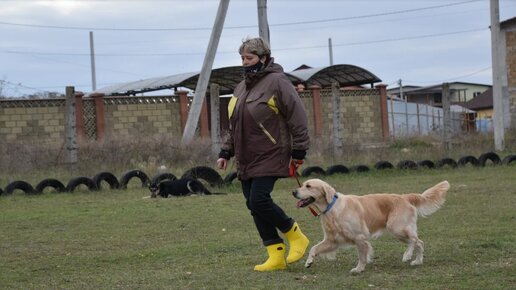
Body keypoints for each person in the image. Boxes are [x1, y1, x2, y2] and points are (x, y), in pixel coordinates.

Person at [216, 37, 310, 272]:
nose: (245, 63)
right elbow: (234, 124)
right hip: (246, 156)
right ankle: (275, 254)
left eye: (249, 58)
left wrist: (299, 150)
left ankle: (295, 234)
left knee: (259, 199)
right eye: (242, 58)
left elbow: (297, 116)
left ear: (263, 58)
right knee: (252, 204)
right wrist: (226, 151)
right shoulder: (241, 87)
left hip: (271, 152)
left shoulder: (278, 82)